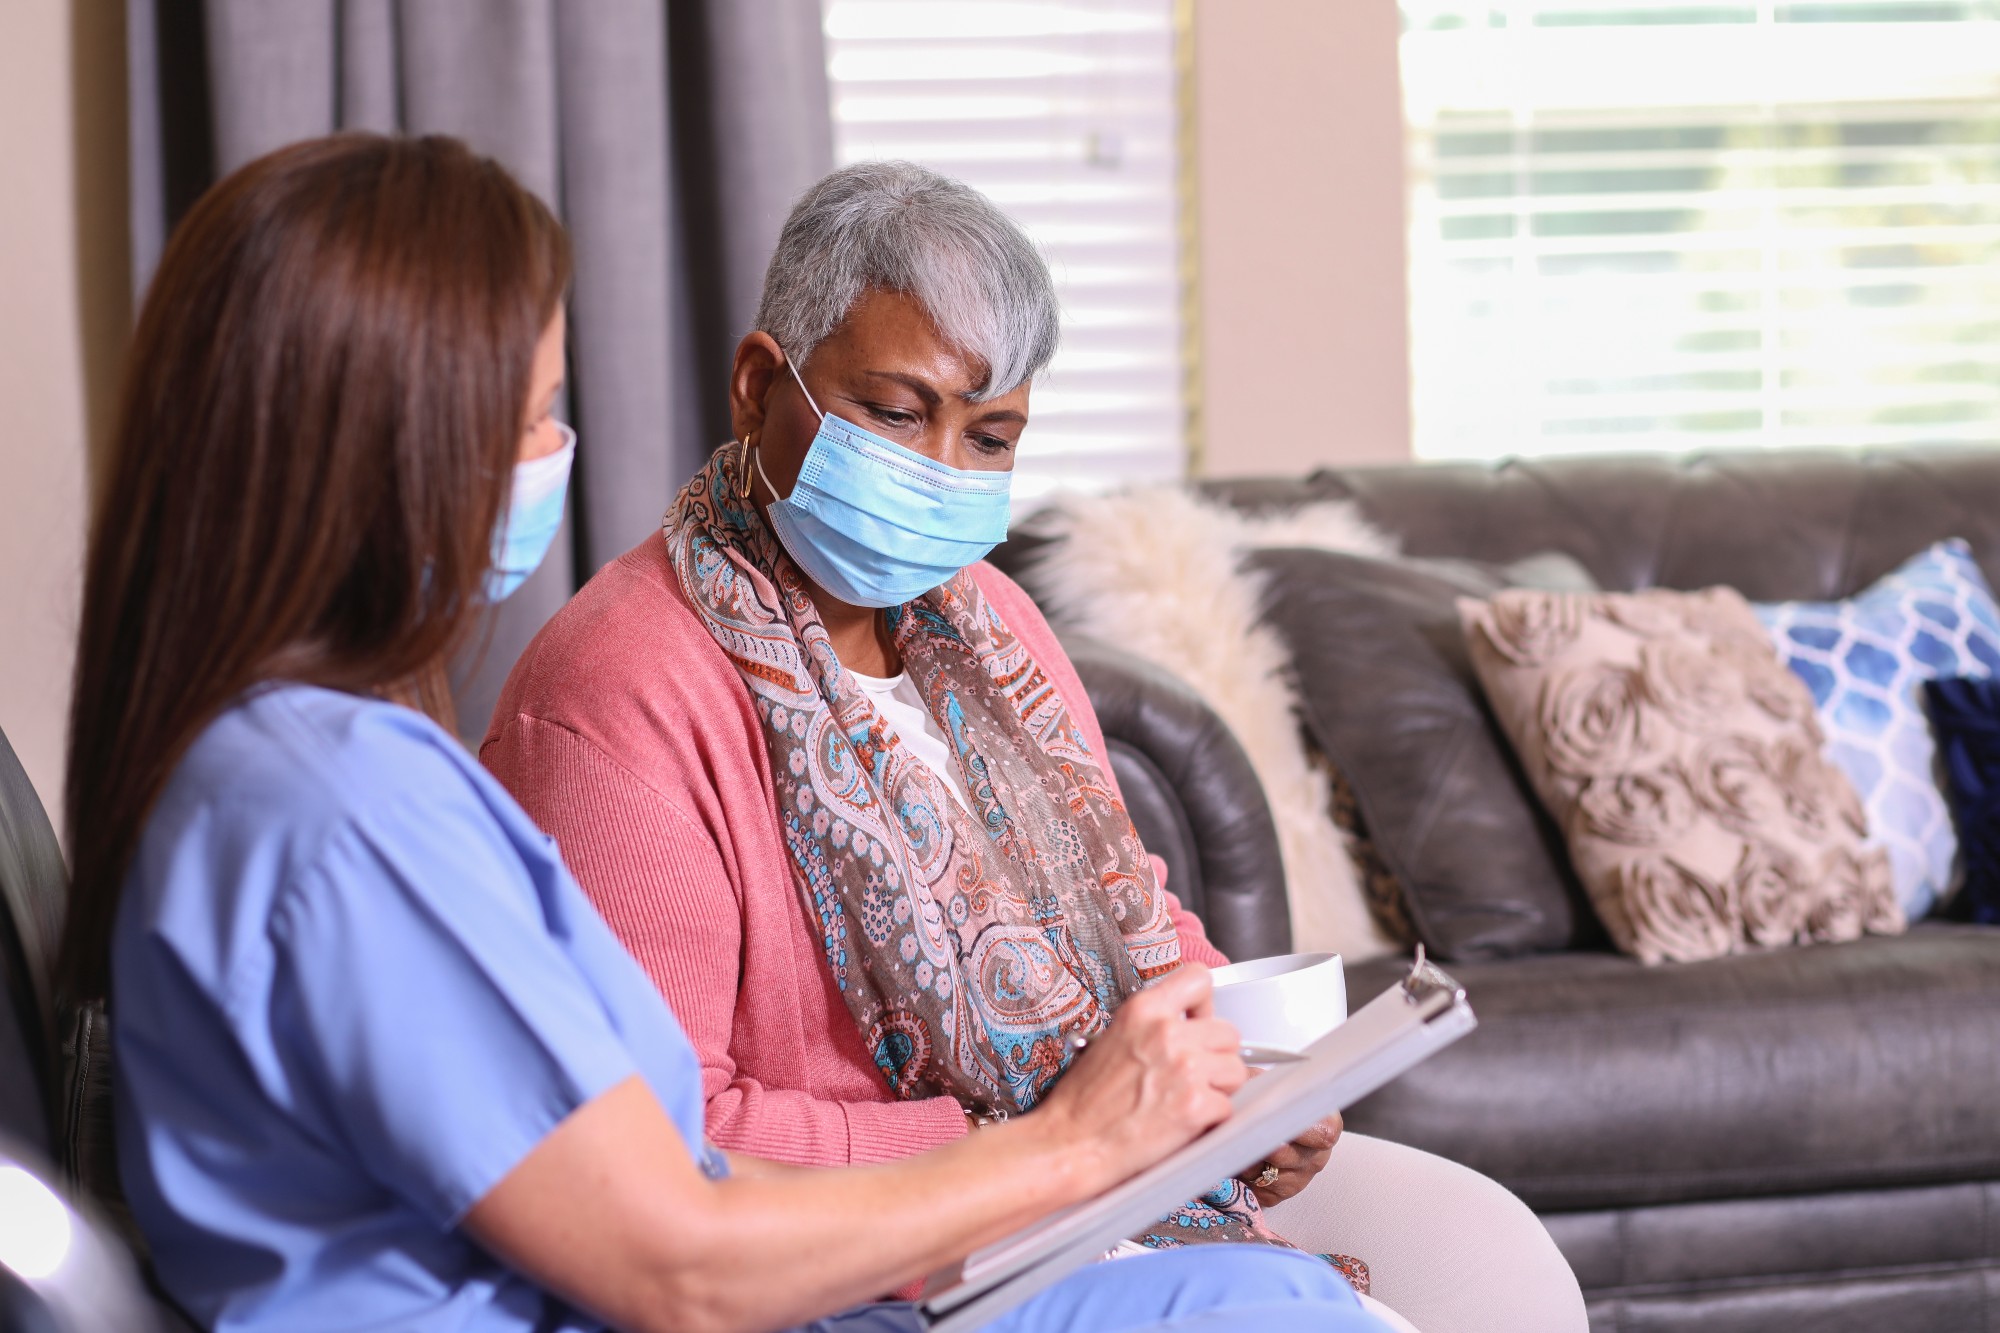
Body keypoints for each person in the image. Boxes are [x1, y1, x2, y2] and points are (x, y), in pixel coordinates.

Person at [55, 134, 1387, 1333]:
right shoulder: (344, 810)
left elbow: (650, 1181)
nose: (551, 453)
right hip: (815, 1278)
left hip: (886, 1261)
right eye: (525, 415)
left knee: (1271, 1294)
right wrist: (1073, 1143)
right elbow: (677, 1255)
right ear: (387, 444)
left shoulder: (307, 771)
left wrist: (1225, 1089)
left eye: (990, 435)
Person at [482, 163, 1585, 1333]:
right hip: (865, 1268)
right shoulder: (618, 689)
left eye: (989, 433)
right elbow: (655, 1148)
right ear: (761, 388)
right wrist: (1026, 1146)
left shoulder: (988, 621)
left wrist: (1251, 1085)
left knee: (1493, 1263)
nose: (938, 470)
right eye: (896, 413)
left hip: (1106, 1194)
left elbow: (1137, 914)